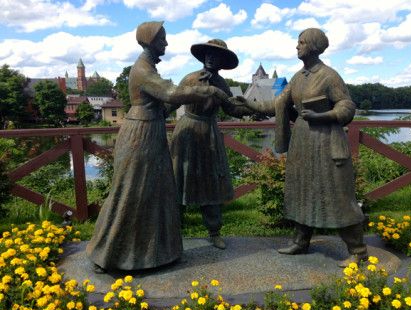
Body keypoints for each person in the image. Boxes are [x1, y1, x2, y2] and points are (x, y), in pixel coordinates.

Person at [86, 22, 229, 273]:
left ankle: (153, 252)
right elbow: (172, 94)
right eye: (162, 39)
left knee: (154, 191)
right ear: (150, 40)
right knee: (131, 191)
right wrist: (209, 90)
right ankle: (107, 254)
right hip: (141, 133)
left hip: (151, 129)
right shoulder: (142, 69)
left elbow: (165, 103)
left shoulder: (148, 66)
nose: (166, 43)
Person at [235, 28, 367, 266]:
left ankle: (358, 250)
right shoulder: (297, 77)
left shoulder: (329, 76)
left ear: (314, 46)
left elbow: (347, 106)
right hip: (303, 143)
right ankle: (300, 241)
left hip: (327, 142)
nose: (297, 46)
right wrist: (250, 104)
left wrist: (325, 115)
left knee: (337, 194)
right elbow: (277, 104)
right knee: (302, 190)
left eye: (302, 42)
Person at [170, 39, 253, 249]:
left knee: (211, 183)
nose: (210, 57)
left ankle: (214, 231)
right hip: (187, 132)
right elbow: (172, 101)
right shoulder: (190, 78)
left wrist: (253, 107)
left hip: (209, 136)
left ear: (222, 62)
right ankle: (171, 230)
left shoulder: (222, 84)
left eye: (215, 55)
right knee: (177, 179)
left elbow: (232, 110)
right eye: (207, 53)